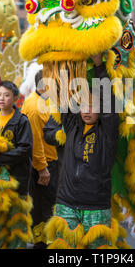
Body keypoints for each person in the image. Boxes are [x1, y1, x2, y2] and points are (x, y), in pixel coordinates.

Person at [45, 53, 120, 249]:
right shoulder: (72, 126)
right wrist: (66, 62)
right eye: (83, 106)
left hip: (96, 206)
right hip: (66, 203)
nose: (87, 111)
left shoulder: (108, 131)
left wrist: (98, 64)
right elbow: (63, 96)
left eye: (93, 106)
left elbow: (110, 100)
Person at [0, 80, 33, 248]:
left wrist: (0, 159)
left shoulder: (21, 121)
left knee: (16, 224)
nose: (2, 99)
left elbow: (25, 150)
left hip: (17, 180)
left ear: (16, 98)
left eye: (7, 95)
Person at [21, 70, 59, 249]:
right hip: (43, 166)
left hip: (51, 162)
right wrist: (42, 169)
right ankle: (42, 243)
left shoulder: (44, 101)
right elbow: (35, 142)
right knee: (43, 208)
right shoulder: (35, 107)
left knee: (47, 205)